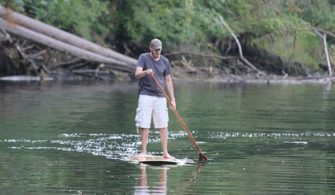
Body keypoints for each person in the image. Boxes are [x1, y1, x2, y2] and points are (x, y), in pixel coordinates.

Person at [135, 38, 176, 159]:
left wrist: (172, 99)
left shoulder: (165, 61)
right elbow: (137, 74)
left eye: (160, 50)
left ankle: (165, 153)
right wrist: (146, 72)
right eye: (156, 50)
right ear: (151, 49)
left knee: (163, 124)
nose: (158, 52)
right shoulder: (143, 57)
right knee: (144, 123)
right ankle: (143, 151)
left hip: (160, 96)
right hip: (145, 94)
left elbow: (168, 80)